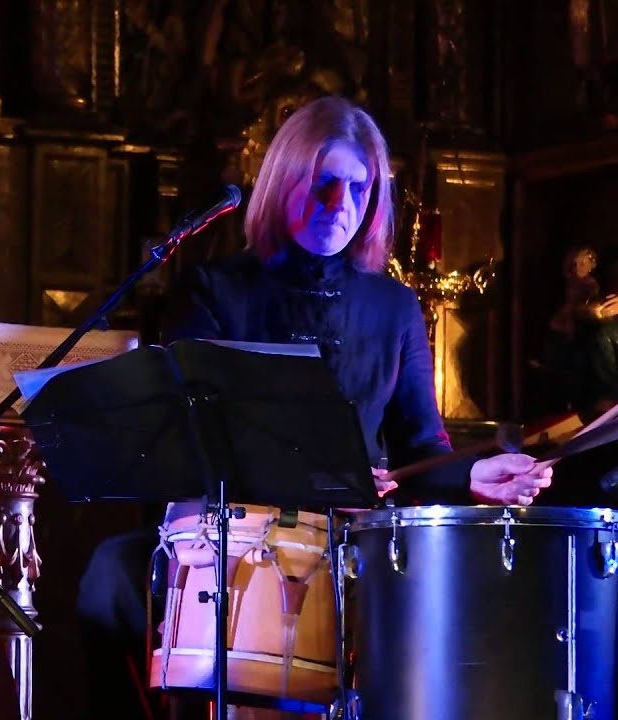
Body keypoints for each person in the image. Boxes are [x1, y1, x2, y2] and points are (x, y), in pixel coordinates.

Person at [76, 95, 554, 720]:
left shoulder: (393, 307)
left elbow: (419, 447)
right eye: (324, 182)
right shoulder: (214, 289)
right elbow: (189, 437)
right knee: (108, 577)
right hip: (233, 533)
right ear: (283, 182)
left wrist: (473, 474)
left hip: (354, 540)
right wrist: (322, 477)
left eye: (359, 188)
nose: (341, 203)